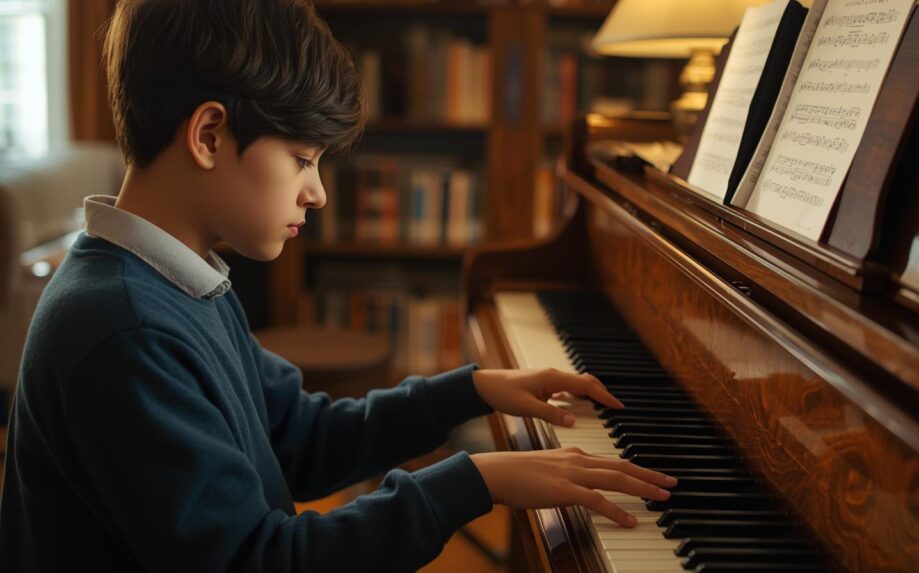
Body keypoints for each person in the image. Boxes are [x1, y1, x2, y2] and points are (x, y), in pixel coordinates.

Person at [0, 1, 676, 570]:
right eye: (302, 159)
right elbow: (258, 560)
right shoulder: (124, 328)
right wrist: (471, 480)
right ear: (209, 134)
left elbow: (298, 436)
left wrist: (467, 389)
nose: (317, 192)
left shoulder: (180, 281)